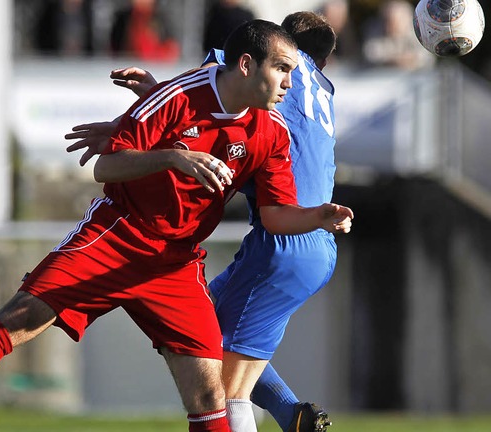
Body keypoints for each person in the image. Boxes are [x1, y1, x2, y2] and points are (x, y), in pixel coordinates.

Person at [0, 19, 353, 432]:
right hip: (119, 235)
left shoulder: (269, 132)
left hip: (175, 263)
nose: (291, 80)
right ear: (247, 65)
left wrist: (319, 216)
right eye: (283, 68)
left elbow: (274, 215)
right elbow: (107, 167)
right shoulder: (179, 94)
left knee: (210, 395)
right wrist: (173, 157)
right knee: (21, 318)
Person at [65, 11, 342, 432]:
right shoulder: (321, 93)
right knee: (201, 329)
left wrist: (154, 97)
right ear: (325, 60)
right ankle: (291, 414)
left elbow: (207, 99)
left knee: (227, 389)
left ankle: (285, 415)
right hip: (315, 240)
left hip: (283, 240)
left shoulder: (262, 69)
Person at [109, 0, 180, 62]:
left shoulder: (161, 19)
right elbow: (115, 48)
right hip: (128, 63)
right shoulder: (123, 18)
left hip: (156, 68)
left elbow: (171, 47)